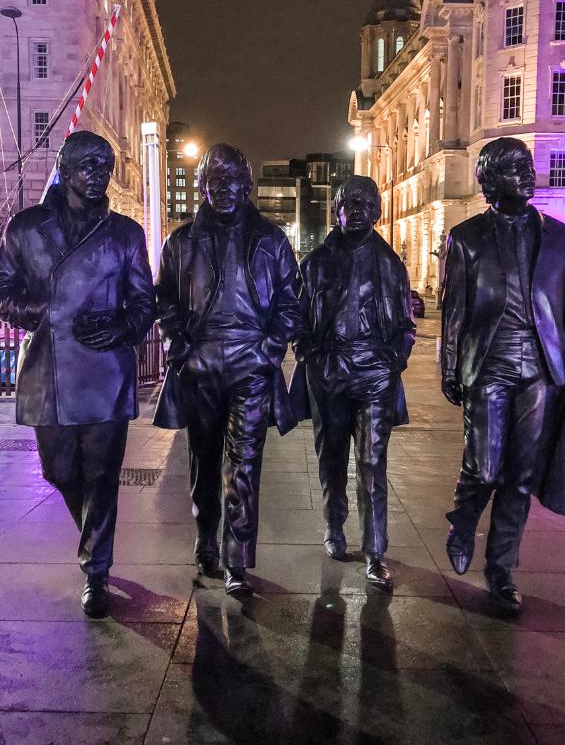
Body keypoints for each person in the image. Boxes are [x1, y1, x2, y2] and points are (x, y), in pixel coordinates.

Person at [0, 131, 155, 618]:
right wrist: (37, 308)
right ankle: (92, 538)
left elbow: (144, 303)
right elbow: (3, 291)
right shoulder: (25, 229)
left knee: (103, 476)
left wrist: (122, 326)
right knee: (59, 471)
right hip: (48, 369)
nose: (99, 174)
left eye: (105, 165)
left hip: (104, 373)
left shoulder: (125, 234)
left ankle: (97, 570)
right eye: (88, 165)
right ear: (64, 169)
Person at [442, 137, 565, 614]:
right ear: (489, 181)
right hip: (489, 364)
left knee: (522, 475)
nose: (526, 174)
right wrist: (450, 367)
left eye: (526, 165)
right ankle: (464, 520)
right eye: (512, 168)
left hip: (542, 372)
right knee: (484, 466)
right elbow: (454, 313)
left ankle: (501, 567)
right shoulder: (466, 238)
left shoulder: (563, 239)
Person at [154, 143, 300, 595]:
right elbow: (165, 303)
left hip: (249, 366)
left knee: (243, 465)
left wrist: (268, 350)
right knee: (202, 461)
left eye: (234, 181)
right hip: (200, 366)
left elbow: (291, 304)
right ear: (203, 187)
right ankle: (205, 540)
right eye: (215, 182)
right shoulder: (180, 242)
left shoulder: (271, 240)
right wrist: (180, 349)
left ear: (247, 185)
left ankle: (238, 558)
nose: (225, 190)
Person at [290, 175, 415, 589]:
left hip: (373, 378)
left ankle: (375, 551)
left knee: (372, 463)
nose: (357, 209)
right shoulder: (315, 264)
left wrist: (392, 360)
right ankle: (334, 524)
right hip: (329, 375)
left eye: (365, 202)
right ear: (337, 210)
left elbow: (404, 325)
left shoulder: (391, 265)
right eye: (349, 202)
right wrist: (310, 354)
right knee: (331, 459)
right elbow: (297, 320)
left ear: (377, 211)